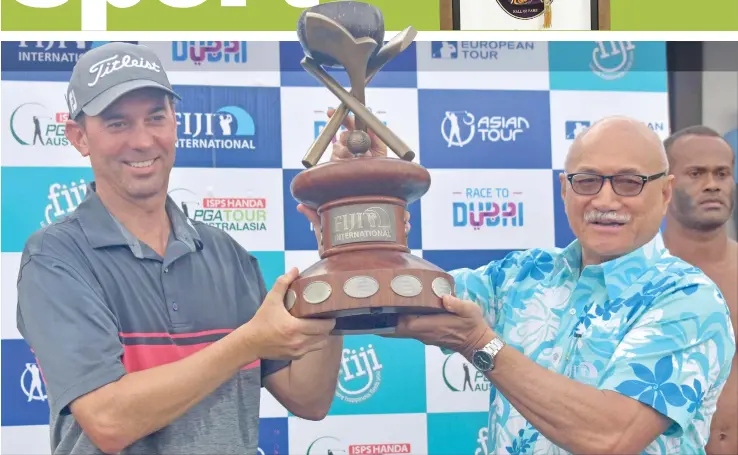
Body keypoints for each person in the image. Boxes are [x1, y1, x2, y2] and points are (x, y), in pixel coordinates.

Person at [300, 114, 736, 454]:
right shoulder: (522, 275)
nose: (605, 200)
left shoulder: (688, 300)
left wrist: (480, 345)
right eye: (587, 181)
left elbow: (612, 436)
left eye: (628, 182)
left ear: (663, 194)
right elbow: (400, 297)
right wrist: (359, 207)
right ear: (564, 190)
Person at [16, 42, 343, 455]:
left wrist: (339, 257)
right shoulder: (56, 258)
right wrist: (246, 343)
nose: (142, 140)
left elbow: (308, 398)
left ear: (175, 123)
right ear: (79, 137)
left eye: (156, 117)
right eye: (117, 124)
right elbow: (109, 420)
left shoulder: (227, 253)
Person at [662, 125, 737, 455]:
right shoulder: (637, 275)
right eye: (696, 173)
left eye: (722, 173)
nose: (712, 184)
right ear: (666, 185)